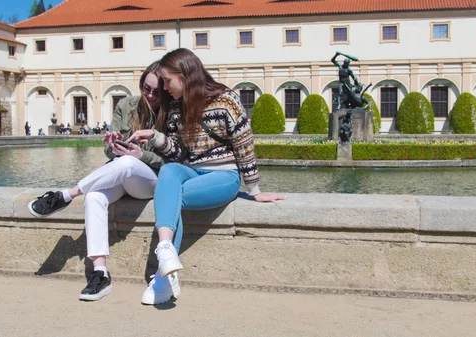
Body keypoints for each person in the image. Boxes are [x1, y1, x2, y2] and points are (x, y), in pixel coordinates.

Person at [128, 48, 286, 305]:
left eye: (167, 81)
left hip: (223, 176)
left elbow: (244, 143)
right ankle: (166, 251)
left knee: (170, 198)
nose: (164, 88)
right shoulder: (176, 108)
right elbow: (180, 153)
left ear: (185, 75)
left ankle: (162, 276)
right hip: (192, 171)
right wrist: (156, 137)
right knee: (169, 170)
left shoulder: (225, 100)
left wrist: (254, 190)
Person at [27, 61, 167, 302]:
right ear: (141, 83)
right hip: (122, 175)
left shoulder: (172, 111)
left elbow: (174, 160)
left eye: (157, 91)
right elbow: (110, 154)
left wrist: (140, 155)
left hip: (151, 181)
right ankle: (100, 273)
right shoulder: (126, 105)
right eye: (147, 88)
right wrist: (112, 145)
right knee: (94, 197)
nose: (151, 95)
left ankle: (66, 195)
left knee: (127, 163)